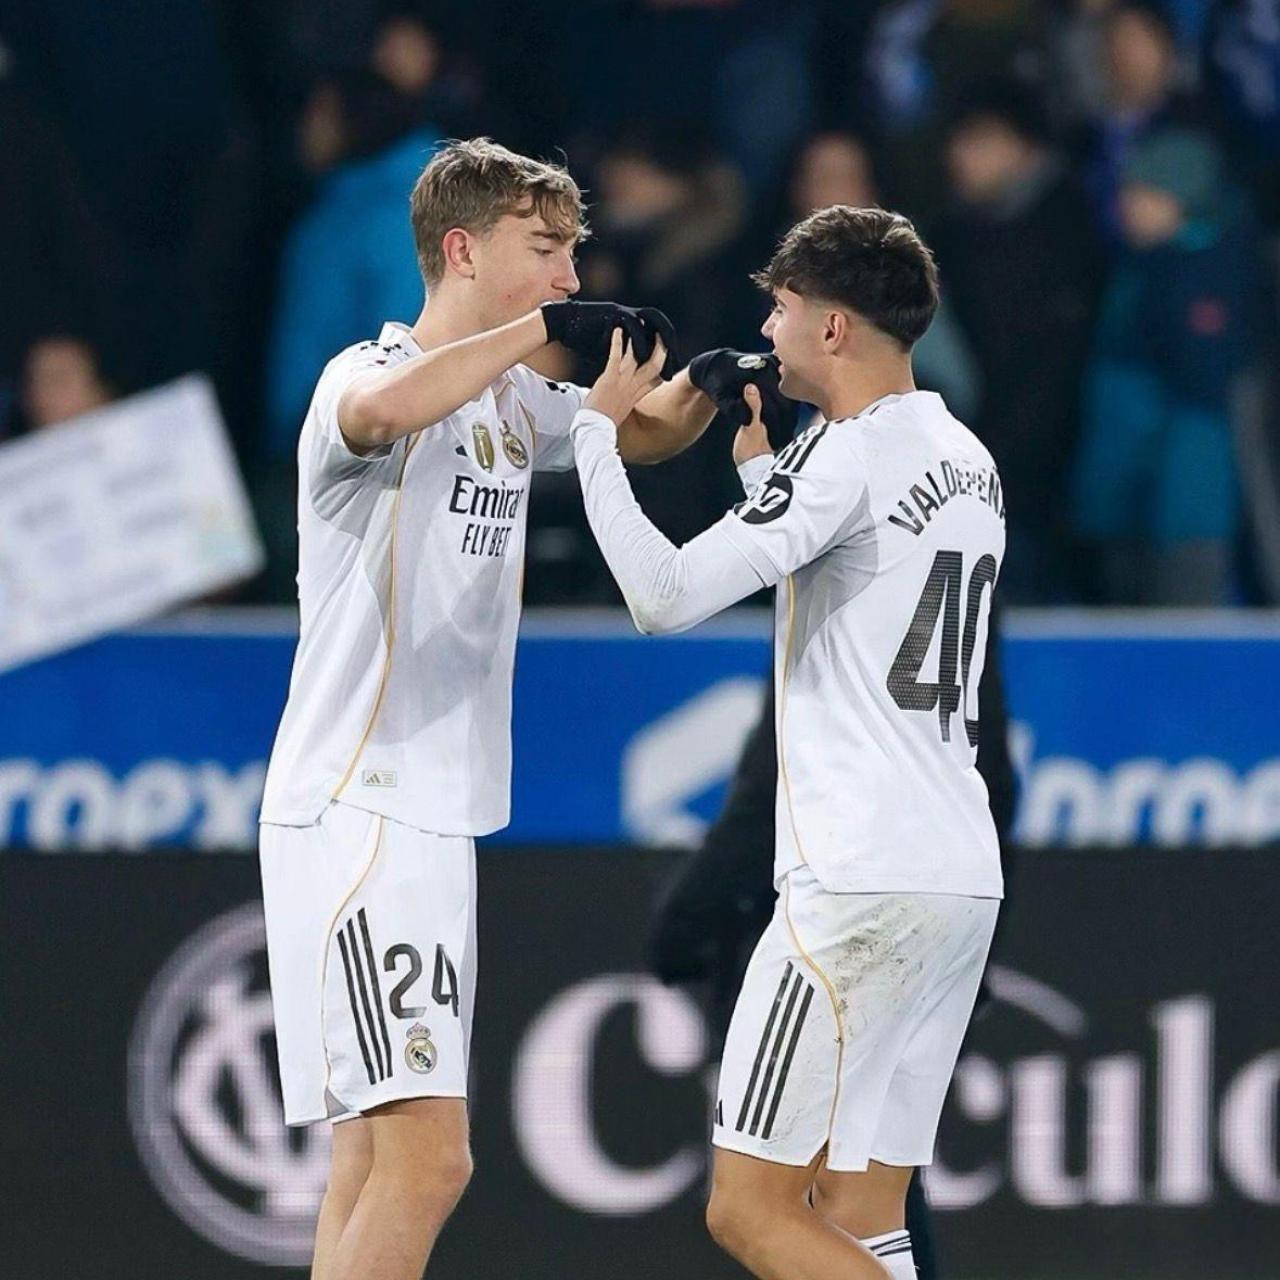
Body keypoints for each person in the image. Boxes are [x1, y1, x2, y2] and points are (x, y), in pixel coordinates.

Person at [256, 137, 718, 1280]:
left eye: (574, 254)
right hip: (357, 804)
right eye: (546, 250)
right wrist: (539, 339)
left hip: (425, 810)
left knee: (373, 1163)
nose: (568, 277)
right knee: (429, 1158)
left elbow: (639, 433)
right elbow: (377, 413)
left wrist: (715, 380)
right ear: (461, 249)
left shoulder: (512, 401)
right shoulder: (362, 375)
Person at [567, 205, 1005, 1279]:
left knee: (751, 1208)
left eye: (781, 305)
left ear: (835, 328)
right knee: (857, 1210)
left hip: (853, 885)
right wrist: (769, 479)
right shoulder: (964, 453)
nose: (764, 325)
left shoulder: (846, 458)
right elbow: (865, 572)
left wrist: (592, 435)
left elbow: (663, 597)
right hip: (954, 875)